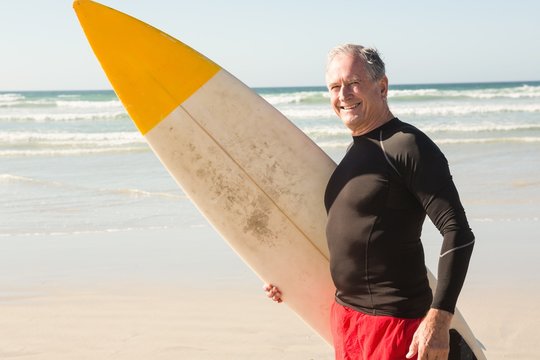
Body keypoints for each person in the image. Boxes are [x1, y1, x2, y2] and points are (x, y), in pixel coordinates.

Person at [264, 44, 475, 360]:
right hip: (346, 319)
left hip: (395, 324)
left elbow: (458, 231)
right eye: (335, 87)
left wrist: (439, 318)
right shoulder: (355, 153)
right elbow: (351, 243)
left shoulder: (407, 146)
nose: (344, 94)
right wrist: (293, 283)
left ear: (383, 86)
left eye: (353, 83)